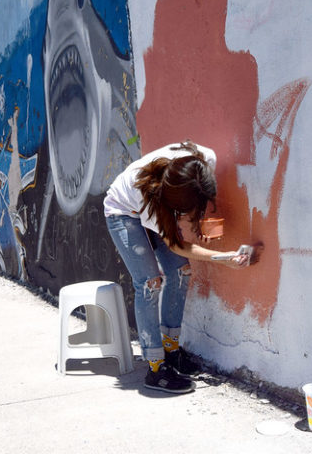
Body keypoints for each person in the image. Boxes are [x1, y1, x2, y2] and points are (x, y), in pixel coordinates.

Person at [103, 140, 252, 394]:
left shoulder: (205, 159)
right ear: (173, 205)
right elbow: (177, 246)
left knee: (181, 272)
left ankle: (171, 351)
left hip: (157, 204)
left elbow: (197, 193)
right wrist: (222, 258)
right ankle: (155, 367)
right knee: (149, 283)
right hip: (123, 212)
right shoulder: (149, 198)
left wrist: (198, 220)